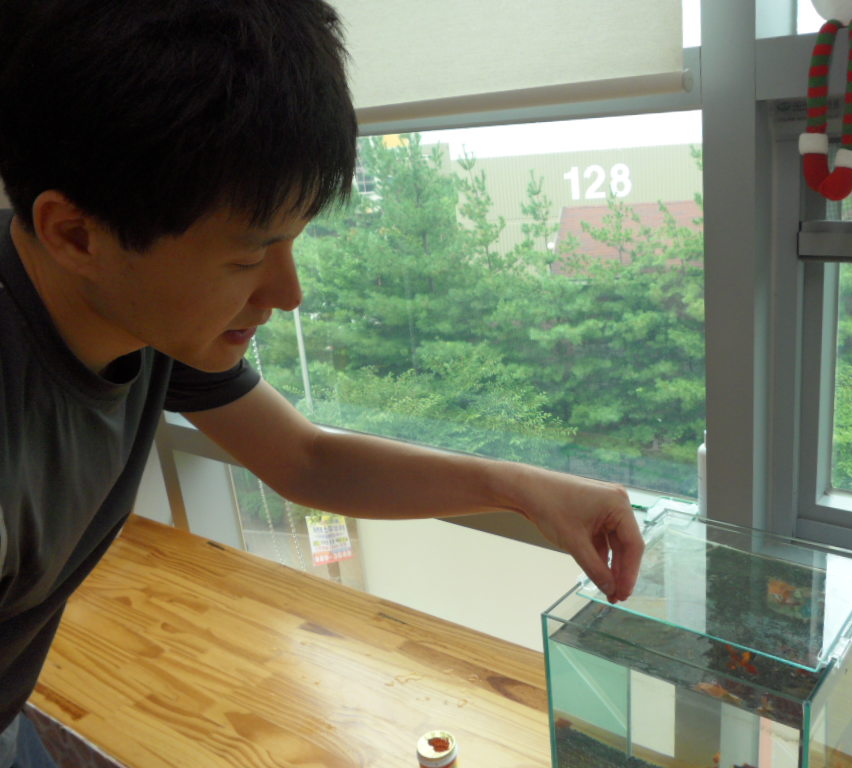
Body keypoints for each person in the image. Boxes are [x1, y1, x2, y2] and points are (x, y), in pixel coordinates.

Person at [0, 1, 645, 765]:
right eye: (249, 257)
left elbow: (304, 459)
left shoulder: (144, 312)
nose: (289, 292)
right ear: (77, 235)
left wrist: (522, 488)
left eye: (294, 241)